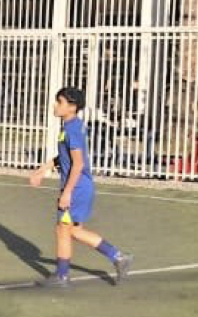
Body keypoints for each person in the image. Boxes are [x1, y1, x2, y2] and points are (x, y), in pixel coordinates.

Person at [28, 86, 133, 288]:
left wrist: (67, 193)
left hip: (77, 189)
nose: (55, 105)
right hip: (79, 187)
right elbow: (65, 158)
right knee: (70, 231)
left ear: (72, 107)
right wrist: (43, 169)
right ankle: (117, 258)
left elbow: (78, 164)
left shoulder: (72, 129)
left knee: (64, 230)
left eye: (60, 102)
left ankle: (64, 276)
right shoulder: (69, 126)